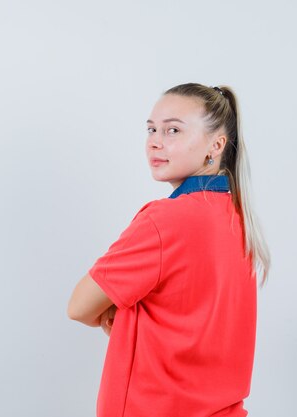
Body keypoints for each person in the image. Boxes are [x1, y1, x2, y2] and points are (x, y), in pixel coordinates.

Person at [67, 82, 271, 417]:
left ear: (216, 145)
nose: (156, 142)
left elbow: (78, 306)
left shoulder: (165, 220)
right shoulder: (237, 216)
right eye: (151, 130)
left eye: (173, 130)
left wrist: (118, 313)